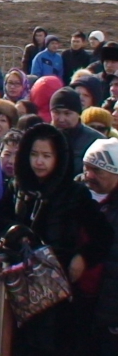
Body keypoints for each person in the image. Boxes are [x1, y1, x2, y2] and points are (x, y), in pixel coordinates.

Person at [0, 124, 113, 356]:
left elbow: (103, 234)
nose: (39, 162)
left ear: (59, 157)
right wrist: (16, 234)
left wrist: (83, 258)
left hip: (59, 291)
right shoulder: (18, 187)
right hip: (19, 285)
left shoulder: (74, 193)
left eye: (46, 156)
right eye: (34, 154)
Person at [84, 139, 118, 352]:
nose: (89, 176)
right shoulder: (77, 195)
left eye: (97, 170)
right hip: (82, 306)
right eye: (87, 168)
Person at [51, 87, 106, 176]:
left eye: (67, 113)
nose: (61, 119)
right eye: (56, 113)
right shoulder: (43, 136)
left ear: (78, 113)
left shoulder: (96, 141)